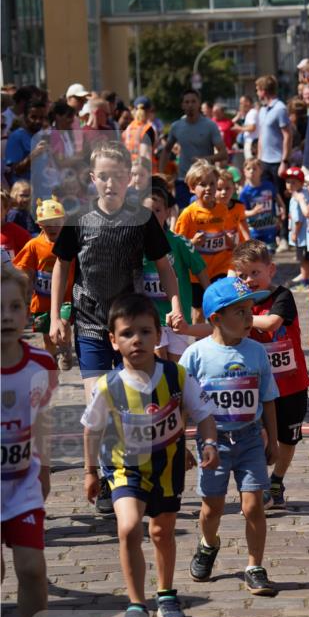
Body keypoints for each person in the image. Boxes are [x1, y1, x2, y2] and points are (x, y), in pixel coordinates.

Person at [49, 141, 183, 515]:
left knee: (129, 401)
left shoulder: (141, 221)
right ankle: (110, 479)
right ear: (93, 179)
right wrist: (58, 314)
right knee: (99, 400)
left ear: (129, 181)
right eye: (103, 177)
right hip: (90, 321)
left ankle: (130, 470)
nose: (110, 184)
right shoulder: (78, 217)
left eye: (117, 177)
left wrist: (174, 305)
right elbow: (62, 264)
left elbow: (165, 266)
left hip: (129, 324)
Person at [81, 293, 219, 617]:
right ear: (113, 341)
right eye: (127, 333)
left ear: (158, 336)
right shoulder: (108, 386)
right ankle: (135, 606)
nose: (137, 340)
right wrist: (89, 471)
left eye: (144, 331)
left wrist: (210, 443)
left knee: (161, 532)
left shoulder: (177, 375)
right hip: (124, 469)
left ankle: (167, 595)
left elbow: (203, 414)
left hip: (167, 468)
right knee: (128, 527)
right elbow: (92, 428)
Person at [179, 277, 280, 597]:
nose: (249, 318)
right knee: (212, 508)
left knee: (254, 506)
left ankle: (255, 565)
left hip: (250, 438)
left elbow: (267, 398)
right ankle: (209, 544)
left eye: (251, 310)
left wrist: (273, 440)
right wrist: (180, 443)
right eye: (240, 312)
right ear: (215, 318)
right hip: (213, 442)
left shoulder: (257, 352)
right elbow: (181, 403)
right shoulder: (195, 355)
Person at [1, 263, 57, 617]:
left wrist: (45, 464)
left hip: (22, 483)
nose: (6, 317)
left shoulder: (40, 362)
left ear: (27, 314)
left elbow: (42, 417)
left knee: (32, 568)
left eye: (14, 307)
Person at [232, 240, 309, 509]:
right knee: (259, 437)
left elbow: (270, 324)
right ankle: (260, 485)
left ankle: (277, 480)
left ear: (271, 270)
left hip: (292, 383)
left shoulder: (282, 297)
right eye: (242, 275)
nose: (249, 280)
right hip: (258, 386)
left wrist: (239, 317)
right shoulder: (238, 302)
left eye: (255, 272)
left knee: (288, 439)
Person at [142, 176, 209, 360]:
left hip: (179, 318)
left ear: (167, 212)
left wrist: (213, 300)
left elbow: (200, 270)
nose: (152, 216)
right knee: (158, 362)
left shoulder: (179, 243)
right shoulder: (135, 244)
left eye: (157, 210)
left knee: (176, 366)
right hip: (150, 317)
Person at [174, 159, 248, 322]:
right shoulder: (188, 214)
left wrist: (231, 244)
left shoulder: (222, 209)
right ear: (192, 188)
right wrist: (192, 242)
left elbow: (223, 231)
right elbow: (176, 245)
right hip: (196, 274)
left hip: (220, 268)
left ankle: (221, 339)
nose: (208, 188)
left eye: (212, 184)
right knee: (199, 312)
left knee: (223, 306)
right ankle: (199, 342)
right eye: (202, 184)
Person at [13, 196, 75, 367]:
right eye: (47, 223)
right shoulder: (34, 245)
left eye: (56, 222)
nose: (52, 227)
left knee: (63, 323)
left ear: (64, 220)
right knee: (48, 336)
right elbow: (24, 268)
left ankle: (65, 346)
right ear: (39, 224)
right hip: (41, 301)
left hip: (66, 298)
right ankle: (51, 358)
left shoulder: (71, 242)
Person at [160, 89, 228, 209]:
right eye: (186, 102)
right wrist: (161, 174)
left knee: (203, 216)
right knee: (184, 214)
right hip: (183, 179)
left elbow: (223, 154)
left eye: (193, 101)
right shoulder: (177, 126)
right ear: (182, 105)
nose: (190, 105)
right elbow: (166, 150)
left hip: (205, 181)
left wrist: (205, 159)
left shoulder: (209, 125)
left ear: (199, 104)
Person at [255, 74, 292, 192]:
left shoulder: (280, 109)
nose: (257, 93)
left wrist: (284, 162)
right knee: (266, 197)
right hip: (264, 162)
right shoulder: (262, 110)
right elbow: (261, 135)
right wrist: (258, 159)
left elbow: (288, 135)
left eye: (257, 90)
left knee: (280, 195)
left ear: (263, 91)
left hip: (277, 162)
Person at [283, 166, 309, 290]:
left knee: (303, 261)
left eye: (293, 182)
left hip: (301, 237)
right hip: (306, 237)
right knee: (307, 260)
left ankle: (306, 282)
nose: (290, 185)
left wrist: (295, 234)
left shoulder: (297, 198)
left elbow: (298, 220)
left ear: (301, 183)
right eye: (288, 182)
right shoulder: (303, 194)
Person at [238, 157, 280, 252]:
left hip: (270, 228)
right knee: (258, 255)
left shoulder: (268, 185)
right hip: (254, 231)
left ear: (261, 171)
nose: (252, 171)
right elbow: (241, 213)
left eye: (255, 168)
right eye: (248, 169)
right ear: (244, 172)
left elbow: (276, 197)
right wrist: (253, 212)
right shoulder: (245, 193)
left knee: (270, 254)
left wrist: (282, 207)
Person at [122, 97, 157, 169]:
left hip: (129, 169)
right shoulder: (147, 129)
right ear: (149, 111)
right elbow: (145, 155)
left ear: (134, 110)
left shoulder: (128, 128)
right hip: (142, 171)